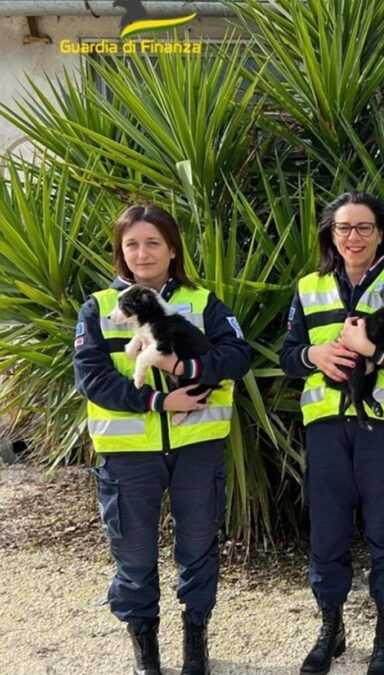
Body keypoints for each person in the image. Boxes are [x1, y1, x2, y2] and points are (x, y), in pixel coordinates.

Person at [74, 204, 252, 675]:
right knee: (133, 555)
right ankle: (145, 649)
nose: (143, 252)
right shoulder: (97, 308)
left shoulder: (204, 301)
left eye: (153, 242)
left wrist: (184, 369)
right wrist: (159, 403)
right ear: (121, 253)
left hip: (196, 449)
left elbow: (237, 355)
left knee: (198, 548)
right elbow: (92, 379)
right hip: (129, 456)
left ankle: (196, 641)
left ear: (173, 249)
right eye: (132, 244)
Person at [279, 191, 384, 675]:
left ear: (379, 233)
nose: (353, 238)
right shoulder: (308, 287)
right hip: (326, 428)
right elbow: (287, 356)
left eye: (364, 228)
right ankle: (331, 628)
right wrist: (316, 356)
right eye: (344, 228)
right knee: (327, 533)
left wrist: (374, 354)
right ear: (330, 234)